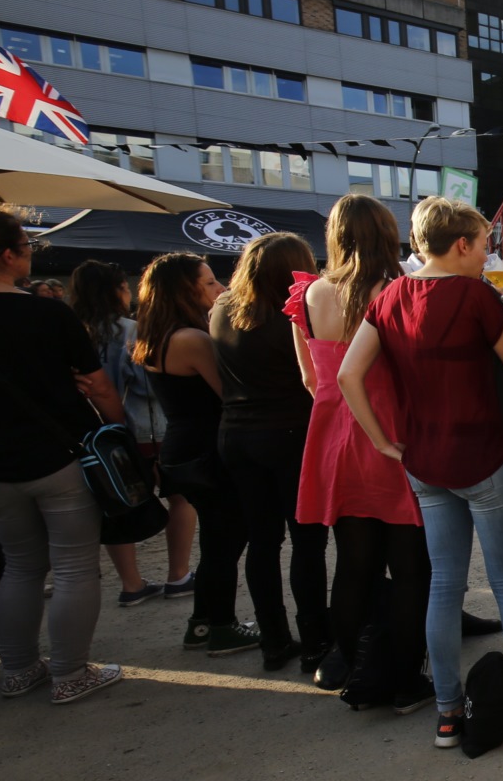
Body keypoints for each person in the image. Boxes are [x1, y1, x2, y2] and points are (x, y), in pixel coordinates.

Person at [340, 197, 503, 749]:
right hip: (483, 456)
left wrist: (382, 441)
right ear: (462, 244)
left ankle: (446, 710)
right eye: (484, 244)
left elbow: (348, 375)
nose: (488, 253)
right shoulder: (476, 296)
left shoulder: (390, 296)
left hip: (424, 460)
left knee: (444, 584)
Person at [287, 195, 433, 715]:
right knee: (411, 565)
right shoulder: (395, 290)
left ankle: (354, 666)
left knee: (353, 562)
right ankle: (405, 680)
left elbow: (310, 379)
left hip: (333, 434)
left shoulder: (308, 294)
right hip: (390, 431)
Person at [0, 208, 124, 704]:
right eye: (26, 246)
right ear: (6, 255)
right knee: (75, 566)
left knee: (19, 566)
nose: (30, 254)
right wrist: (118, 434)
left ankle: (18, 670)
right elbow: (99, 386)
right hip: (60, 454)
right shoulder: (48, 313)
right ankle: (70, 673)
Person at [211, 233, 330, 673]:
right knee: (307, 541)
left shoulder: (223, 308)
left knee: (263, 541)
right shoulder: (292, 314)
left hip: (236, 435)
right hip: (289, 435)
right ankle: (315, 639)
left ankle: (274, 639)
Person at [133, 254, 260, 659]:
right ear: (183, 291)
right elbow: (231, 393)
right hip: (207, 450)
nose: (220, 288)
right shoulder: (190, 338)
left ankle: (203, 623)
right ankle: (221, 627)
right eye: (208, 283)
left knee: (218, 539)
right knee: (226, 542)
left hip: (183, 447)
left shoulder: (158, 334)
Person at [70, 259, 194, 607]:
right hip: (145, 430)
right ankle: (178, 575)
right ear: (116, 291)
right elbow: (148, 385)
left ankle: (132, 584)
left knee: (115, 504)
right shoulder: (130, 331)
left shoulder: (72, 332)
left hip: (94, 437)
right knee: (181, 499)